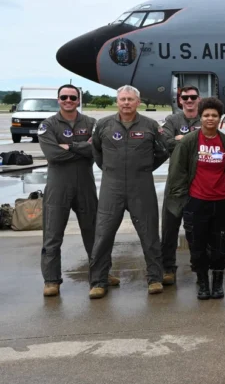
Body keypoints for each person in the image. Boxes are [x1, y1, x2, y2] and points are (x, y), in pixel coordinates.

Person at [88, 86, 169, 298]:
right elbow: (96, 150)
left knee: (149, 233)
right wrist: (109, 168)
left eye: (130, 99)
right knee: (103, 234)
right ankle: (98, 281)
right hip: (111, 185)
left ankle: (154, 279)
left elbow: (162, 151)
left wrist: (144, 168)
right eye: (122, 99)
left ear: (138, 102)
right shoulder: (103, 125)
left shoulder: (150, 125)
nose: (126, 103)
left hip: (141, 185)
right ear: (117, 101)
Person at [39, 84, 111, 296]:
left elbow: (97, 150)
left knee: (94, 233)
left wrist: (69, 146)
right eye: (64, 97)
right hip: (57, 186)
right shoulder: (48, 125)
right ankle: (51, 280)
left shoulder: (91, 123)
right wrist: (83, 148)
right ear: (58, 99)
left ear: (79, 100)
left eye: (73, 97)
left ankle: (101, 274)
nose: (68, 100)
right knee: (52, 235)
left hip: (85, 185)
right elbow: (53, 155)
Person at [164, 98, 225, 300]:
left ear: (219, 118)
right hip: (196, 201)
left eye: (214, 115)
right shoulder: (189, 142)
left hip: (223, 202)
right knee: (197, 244)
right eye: (206, 115)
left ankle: (218, 282)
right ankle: (202, 282)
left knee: (221, 244)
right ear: (200, 118)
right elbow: (177, 172)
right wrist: (183, 200)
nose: (210, 119)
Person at [159, 85, 202, 285]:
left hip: (199, 181)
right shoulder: (172, 120)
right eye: (185, 97)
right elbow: (166, 142)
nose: (189, 100)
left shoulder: (205, 119)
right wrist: (191, 141)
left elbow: (209, 143)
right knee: (169, 228)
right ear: (180, 100)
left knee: (198, 229)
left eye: (193, 97)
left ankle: (199, 267)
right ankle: (168, 268)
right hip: (176, 182)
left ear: (199, 99)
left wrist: (180, 139)